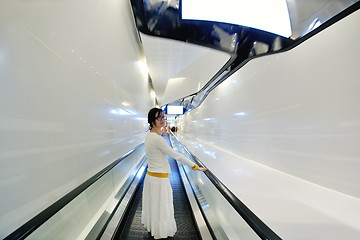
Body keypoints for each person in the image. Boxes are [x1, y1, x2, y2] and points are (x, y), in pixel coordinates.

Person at [142, 108, 207, 239]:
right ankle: (161, 231)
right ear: (152, 121)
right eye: (159, 118)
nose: (162, 120)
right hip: (159, 180)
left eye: (163, 117)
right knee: (162, 205)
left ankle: (154, 228)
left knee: (154, 205)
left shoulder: (149, 135)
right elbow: (175, 155)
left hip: (151, 178)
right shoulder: (157, 139)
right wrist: (194, 166)